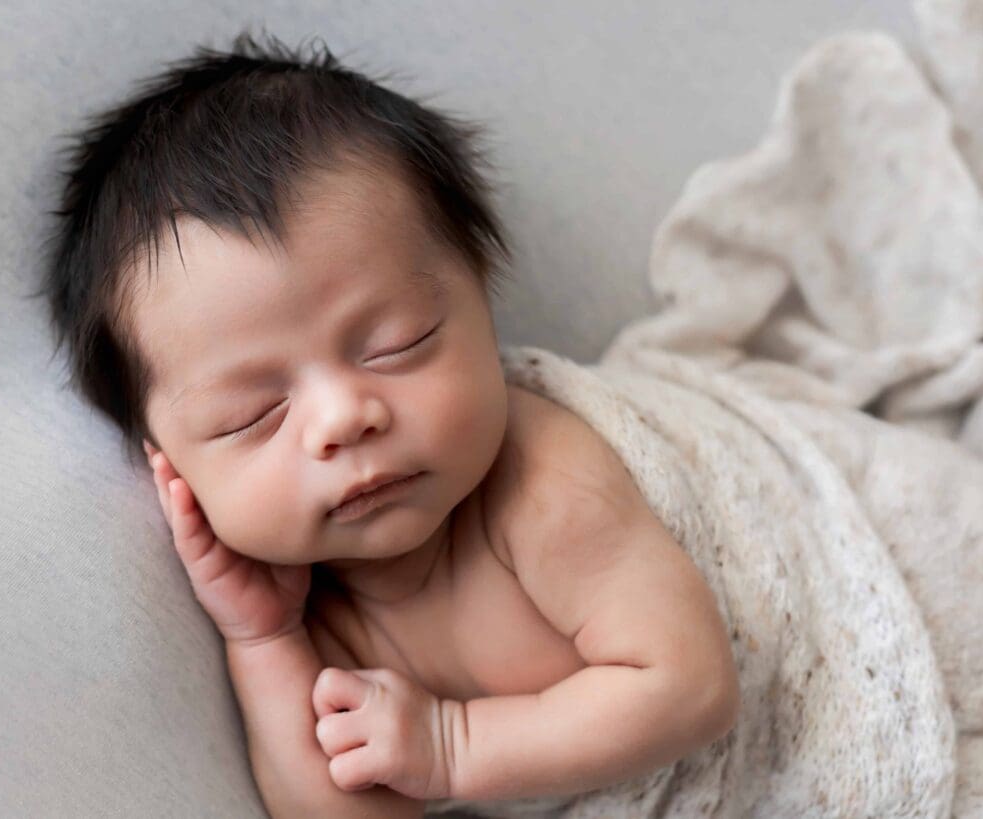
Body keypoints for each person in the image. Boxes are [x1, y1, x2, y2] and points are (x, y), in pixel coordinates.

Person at [37, 29, 739, 819]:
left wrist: (451, 745)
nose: (343, 417)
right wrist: (264, 642)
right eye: (253, 415)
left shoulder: (542, 478)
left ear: (480, 295)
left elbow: (693, 685)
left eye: (396, 344)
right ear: (171, 464)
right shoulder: (316, 612)